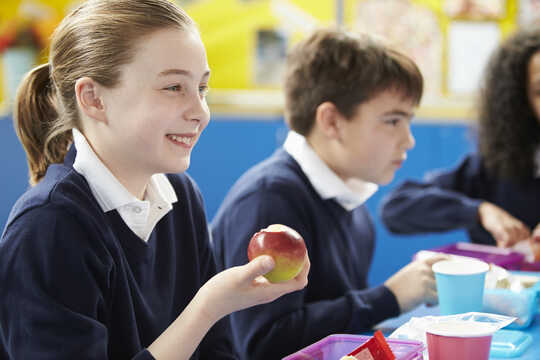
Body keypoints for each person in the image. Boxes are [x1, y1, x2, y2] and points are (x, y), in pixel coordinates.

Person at [0, 1, 309, 359]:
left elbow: (216, 351)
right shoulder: (47, 227)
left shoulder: (181, 196)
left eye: (202, 88)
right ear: (93, 98)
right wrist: (207, 308)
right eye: (173, 87)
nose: (199, 112)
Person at [211, 28, 445, 360]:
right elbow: (262, 345)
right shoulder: (270, 200)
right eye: (393, 120)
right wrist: (388, 297)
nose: (409, 140)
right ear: (332, 121)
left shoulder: (353, 203)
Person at [380, 25, 540, 251]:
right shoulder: (492, 169)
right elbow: (396, 209)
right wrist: (479, 210)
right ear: (521, 102)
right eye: (539, 91)